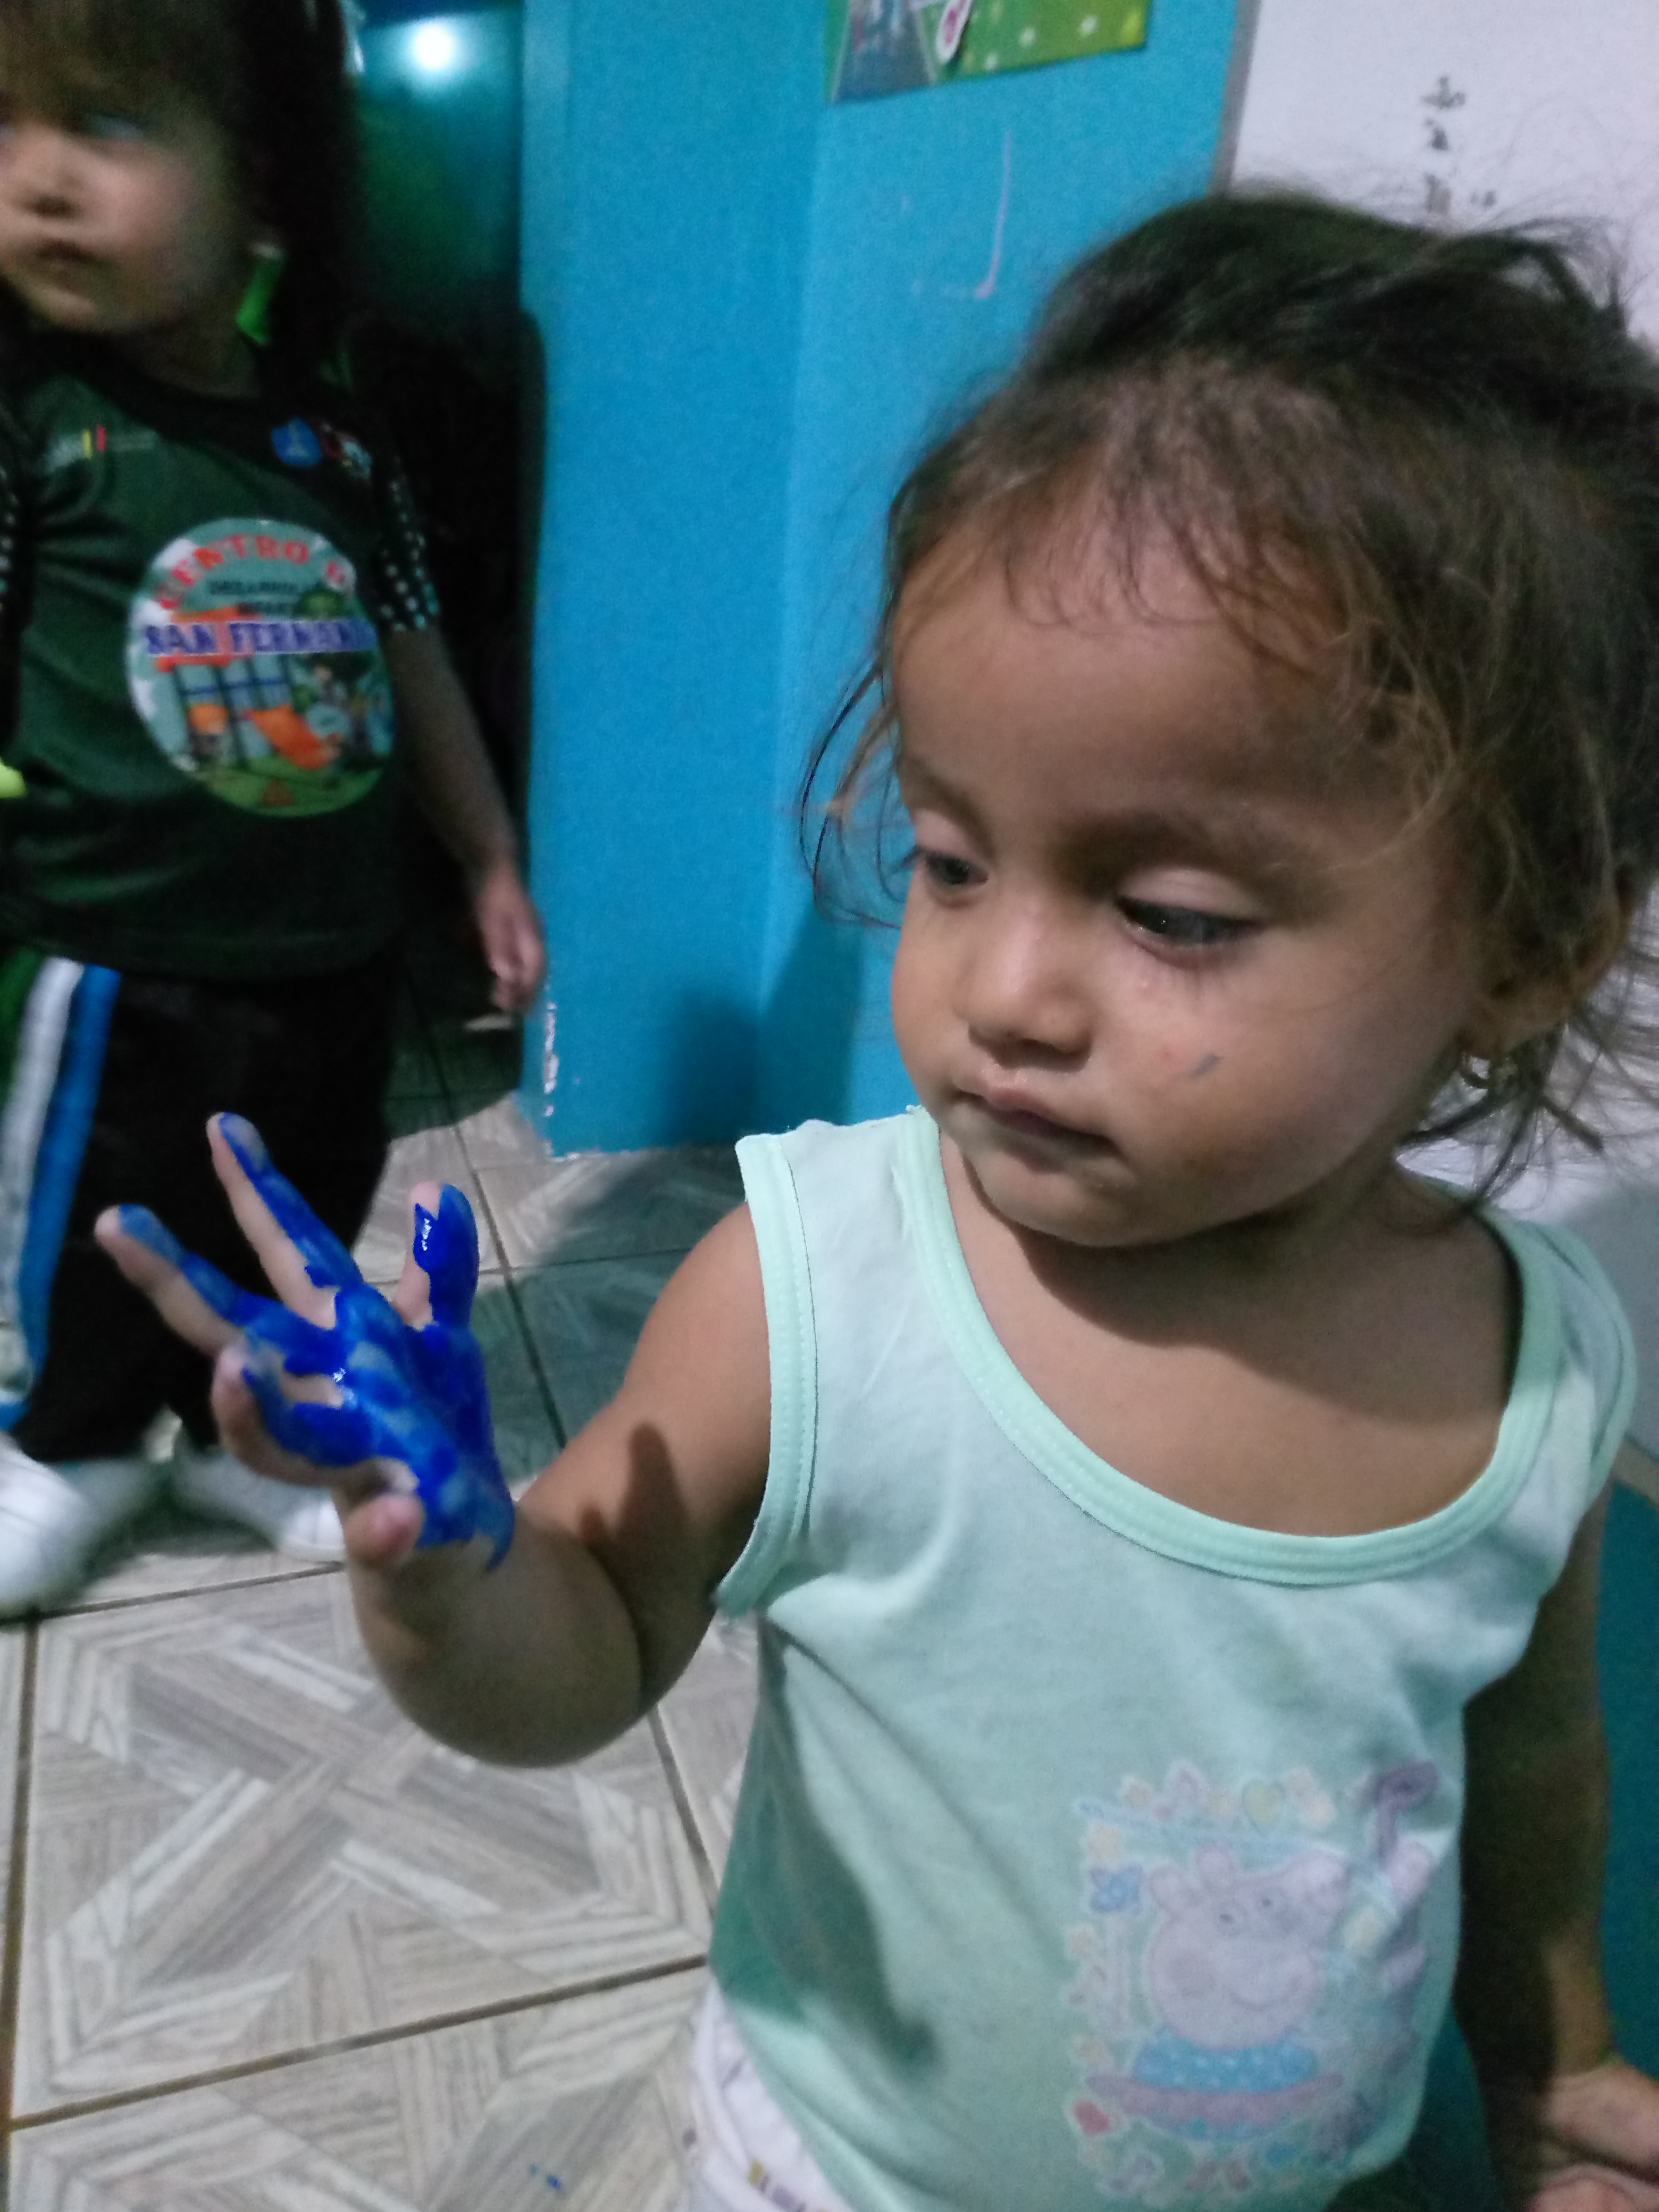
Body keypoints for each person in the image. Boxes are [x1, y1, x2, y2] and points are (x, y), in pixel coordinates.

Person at [103, 195, 1659, 2210]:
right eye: (951, 861)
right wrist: (446, 1580)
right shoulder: (819, 1290)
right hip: (842, 2174)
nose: (1003, 992)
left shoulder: (1536, 1365)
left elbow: (1527, 1757)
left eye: (1172, 912)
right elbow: (588, 1639)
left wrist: (1554, 2061)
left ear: (1528, 945)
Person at [0, 0, 544, 1613]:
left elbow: (409, 648)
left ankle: (237, 1430)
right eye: (5, 131)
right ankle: (65, 1443)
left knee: (296, 1198)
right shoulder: (34, 423)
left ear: (265, 189)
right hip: (110, 942)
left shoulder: (338, 444)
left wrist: (489, 853)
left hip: (335, 945)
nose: (38, 179)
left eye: (105, 125)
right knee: (89, 1210)